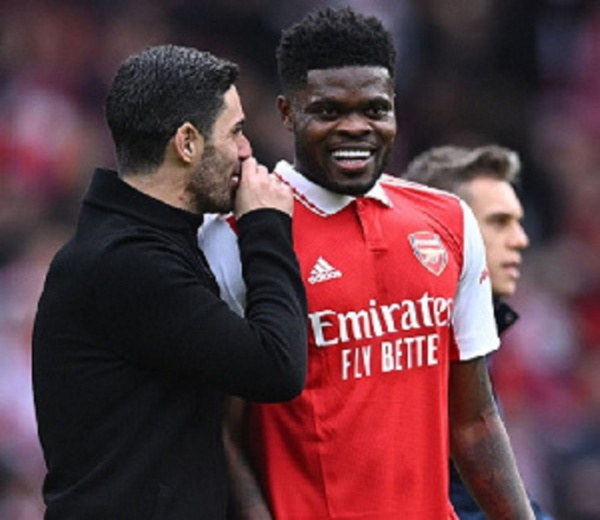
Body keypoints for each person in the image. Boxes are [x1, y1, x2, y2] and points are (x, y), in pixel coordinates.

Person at [199, 7, 535, 519]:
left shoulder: (447, 221)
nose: (355, 128)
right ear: (288, 113)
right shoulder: (239, 236)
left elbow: (476, 422)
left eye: (375, 109)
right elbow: (221, 435)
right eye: (330, 110)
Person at [31, 44, 309, 519]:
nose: (246, 150)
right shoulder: (126, 263)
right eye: (235, 132)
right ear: (186, 143)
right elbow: (277, 367)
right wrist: (266, 228)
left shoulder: (142, 244)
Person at [404, 145, 553, 519]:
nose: (520, 239)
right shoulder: (414, 347)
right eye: (500, 222)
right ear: (446, 232)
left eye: (518, 222)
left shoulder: (472, 334)